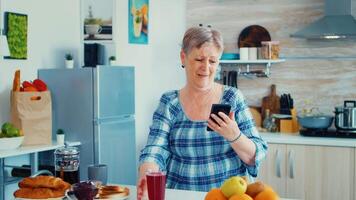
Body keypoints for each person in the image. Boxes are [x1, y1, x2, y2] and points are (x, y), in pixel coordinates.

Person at [137, 26, 268, 199]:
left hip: (229, 196)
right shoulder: (170, 103)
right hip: (181, 195)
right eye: (199, 59)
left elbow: (255, 155)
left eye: (212, 61)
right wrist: (147, 173)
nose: (206, 67)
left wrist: (234, 135)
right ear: (183, 57)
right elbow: (156, 148)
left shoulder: (232, 98)